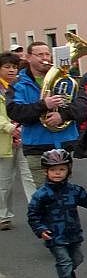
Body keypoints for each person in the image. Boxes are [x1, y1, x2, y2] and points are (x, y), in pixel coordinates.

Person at [26, 149, 87, 278]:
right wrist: (41, 229)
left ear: (68, 170)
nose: (57, 173)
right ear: (46, 172)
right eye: (53, 170)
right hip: (54, 235)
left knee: (77, 258)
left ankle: (68, 273)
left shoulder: (74, 190)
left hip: (73, 232)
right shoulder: (42, 194)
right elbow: (33, 215)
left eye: (62, 169)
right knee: (64, 260)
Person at [6, 41, 87, 188]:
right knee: (44, 194)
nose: (45, 58)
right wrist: (44, 105)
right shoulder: (18, 83)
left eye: (47, 54)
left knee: (64, 191)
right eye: (40, 54)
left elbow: (83, 105)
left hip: (64, 143)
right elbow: (15, 112)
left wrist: (62, 116)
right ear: (28, 57)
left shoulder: (67, 80)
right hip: (37, 146)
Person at [1, 52, 37, 230]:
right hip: (4, 140)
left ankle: (36, 211)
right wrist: (10, 129)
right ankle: (3, 216)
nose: (11, 70)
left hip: (24, 135)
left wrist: (21, 127)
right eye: (7, 67)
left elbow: (26, 107)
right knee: (4, 181)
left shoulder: (20, 85)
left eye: (14, 67)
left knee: (29, 176)